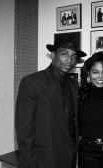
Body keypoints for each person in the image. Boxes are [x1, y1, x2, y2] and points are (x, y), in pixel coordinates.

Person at [15, 36, 87, 168]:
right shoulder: (32, 83)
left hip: (69, 159)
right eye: (64, 54)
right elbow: (24, 133)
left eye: (73, 56)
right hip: (43, 161)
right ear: (53, 55)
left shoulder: (74, 85)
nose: (69, 60)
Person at [78, 51, 103, 168]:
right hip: (87, 151)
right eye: (95, 72)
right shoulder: (79, 95)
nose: (100, 76)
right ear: (88, 74)